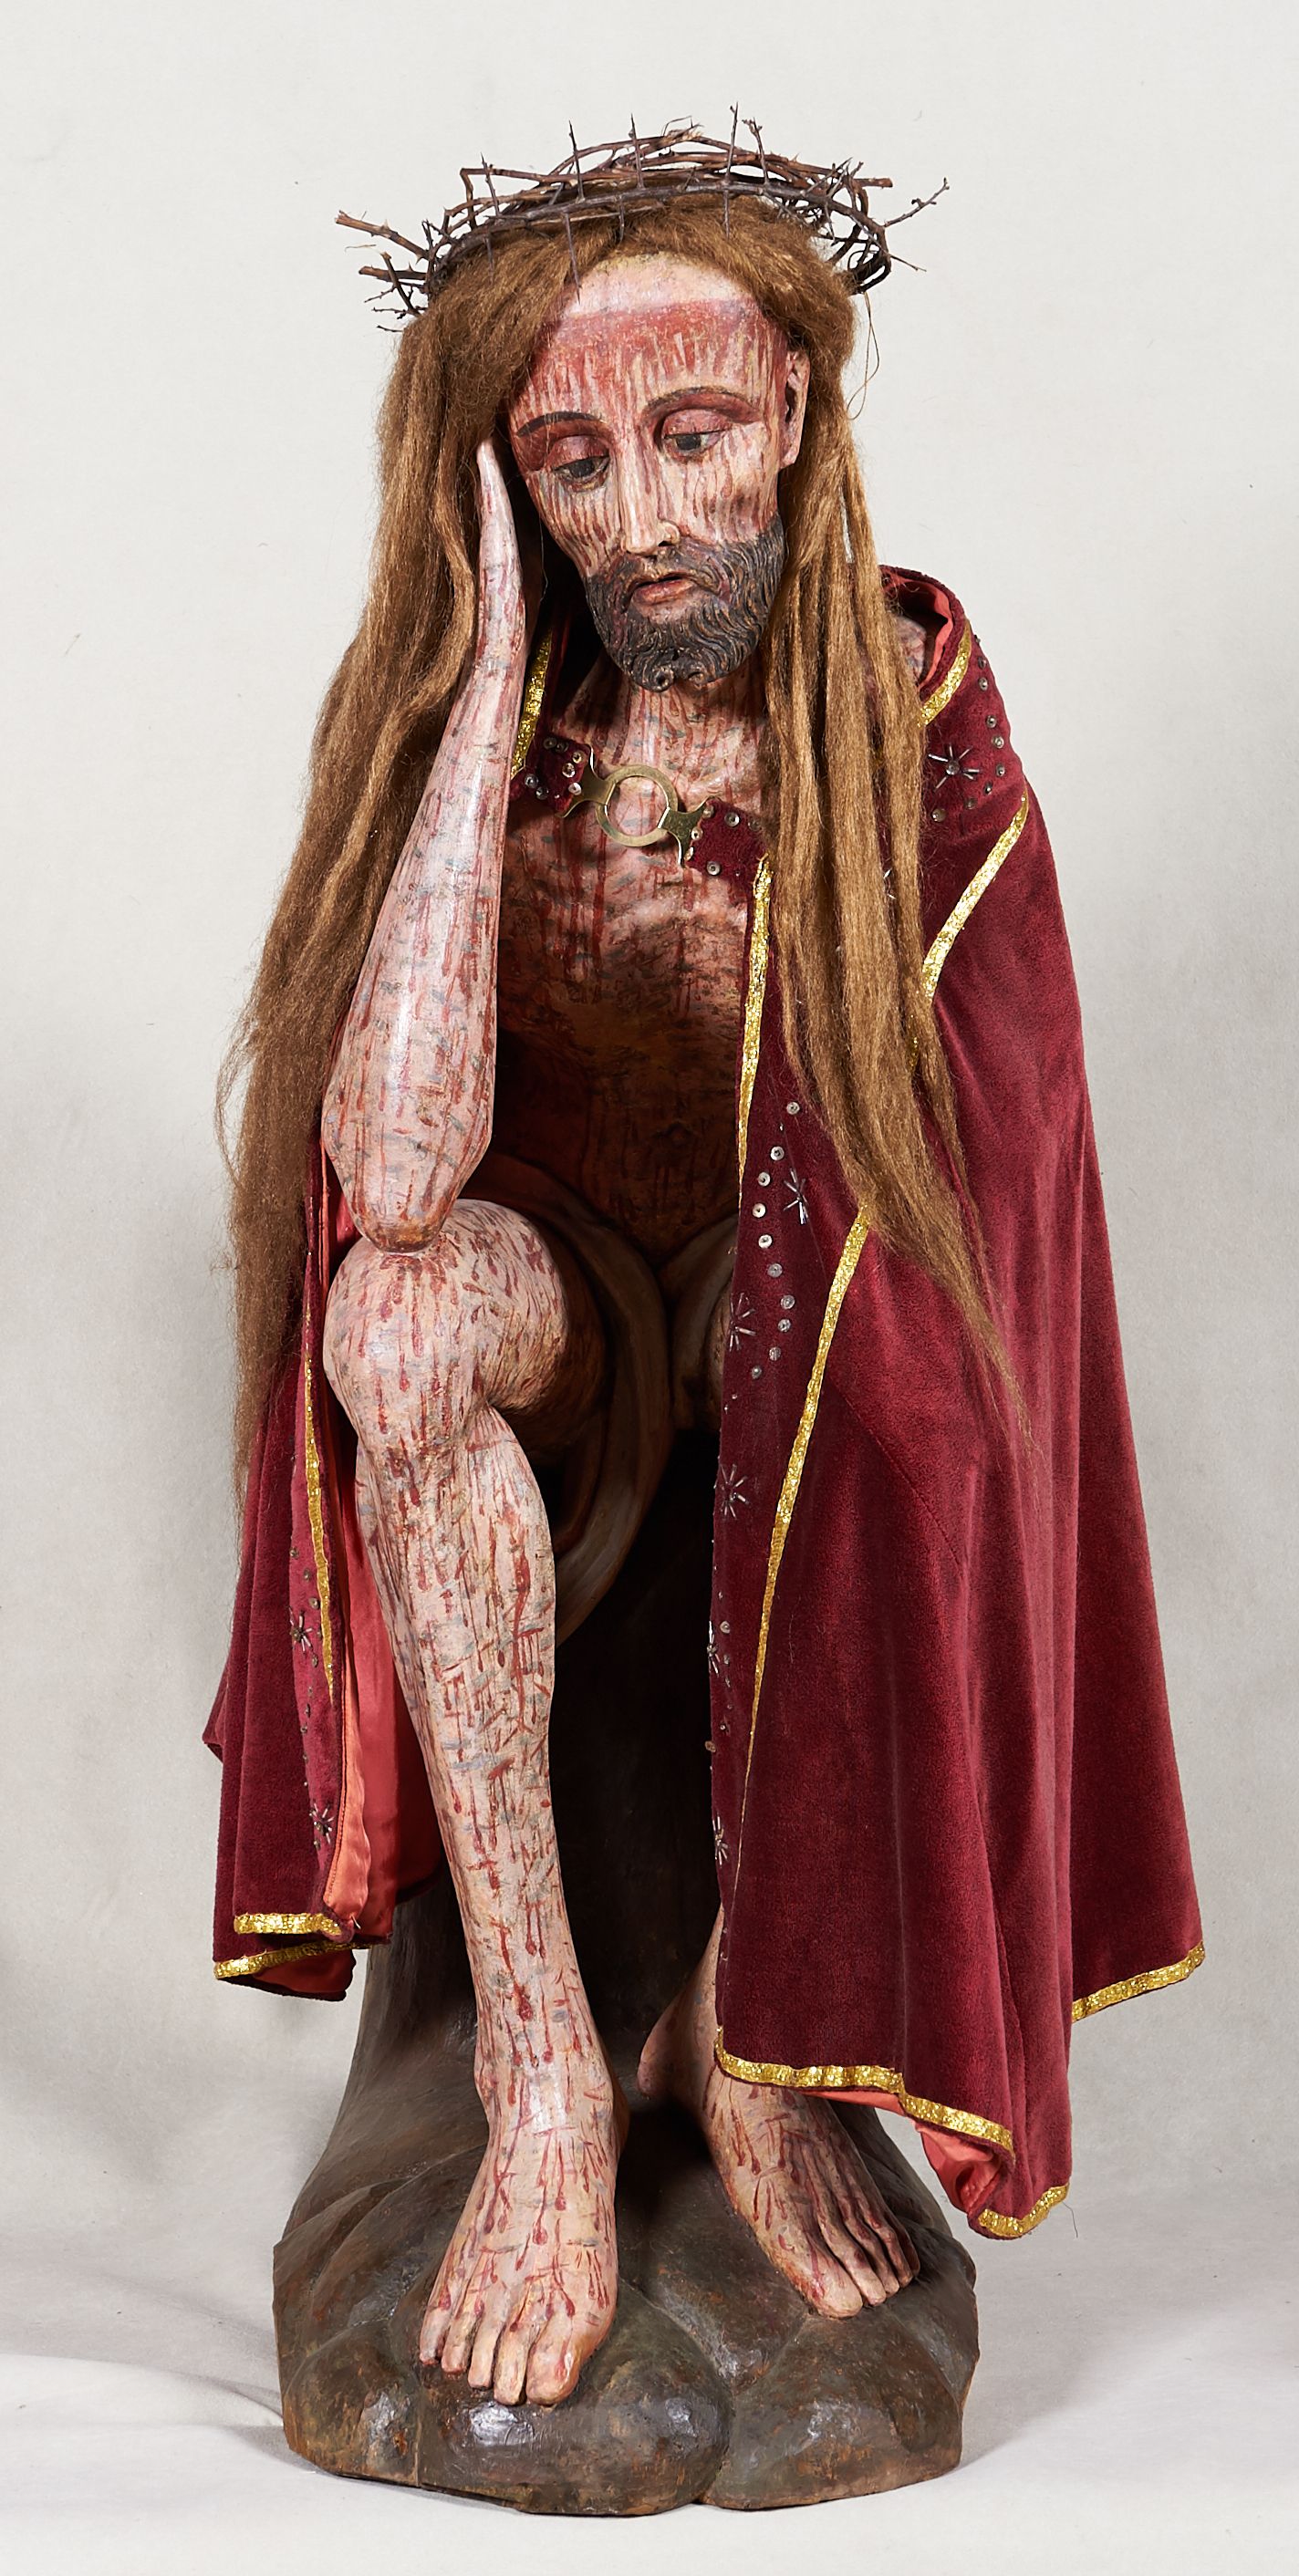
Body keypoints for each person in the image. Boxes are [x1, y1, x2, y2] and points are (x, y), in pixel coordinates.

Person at [206, 130, 1202, 2414]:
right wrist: (476, 682)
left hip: (804, 1319)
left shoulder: (910, 722)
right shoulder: (478, 719)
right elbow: (392, 1165)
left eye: (692, 434)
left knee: (913, 1386)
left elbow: (978, 1202)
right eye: (570, 460)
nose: (643, 514)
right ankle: (544, 2070)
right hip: (573, 1301)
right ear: (500, 480)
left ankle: (753, 2040)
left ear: (793, 417)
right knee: (394, 1317)